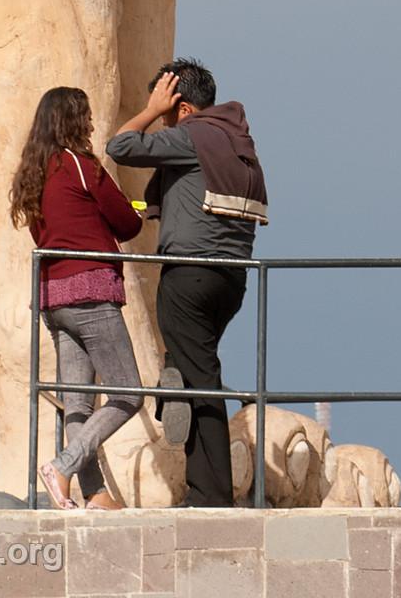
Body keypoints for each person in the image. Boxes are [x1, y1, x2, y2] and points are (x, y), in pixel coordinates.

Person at [107, 59, 267, 507]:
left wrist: (150, 111)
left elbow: (119, 145)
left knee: (199, 382)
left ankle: (211, 494)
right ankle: (199, 472)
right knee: (193, 373)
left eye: (164, 102)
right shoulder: (236, 143)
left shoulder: (192, 134)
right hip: (231, 279)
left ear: (180, 103)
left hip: (189, 275)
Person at [9, 86, 145, 510]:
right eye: (85, 116)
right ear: (75, 121)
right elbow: (126, 224)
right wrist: (136, 211)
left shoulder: (33, 173)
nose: (90, 123)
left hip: (52, 299)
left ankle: (96, 494)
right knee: (129, 393)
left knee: (78, 402)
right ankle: (63, 467)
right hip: (90, 290)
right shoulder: (82, 166)